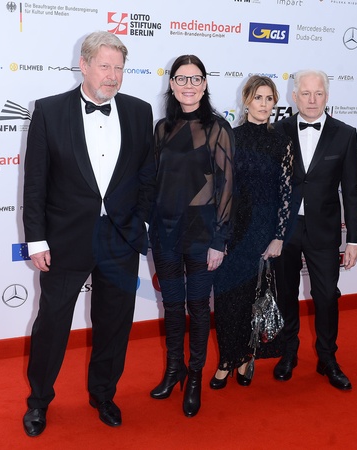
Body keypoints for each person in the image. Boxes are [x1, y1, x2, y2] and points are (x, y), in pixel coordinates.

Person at [21, 31, 155, 436]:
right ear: (84, 65)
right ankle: (39, 401)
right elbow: (35, 183)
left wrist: (140, 222)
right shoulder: (49, 111)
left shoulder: (139, 111)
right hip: (65, 239)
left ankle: (103, 394)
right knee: (52, 324)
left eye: (119, 68)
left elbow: (148, 174)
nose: (112, 76)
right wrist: (36, 238)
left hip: (120, 238)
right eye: (104, 66)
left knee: (115, 322)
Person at [149, 54, 234, 417]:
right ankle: (174, 369)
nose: (189, 85)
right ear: (172, 84)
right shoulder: (162, 129)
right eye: (181, 79)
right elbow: (154, 182)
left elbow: (227, 187)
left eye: (195, 78)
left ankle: (195, 375)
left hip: (202, 233)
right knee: (171, 306)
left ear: (204, 83)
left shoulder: (218, 128)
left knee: (198, 308)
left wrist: (219, 240)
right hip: (165, 232)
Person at [272, 69, 357, 391]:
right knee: (286, 293)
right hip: (285, 229)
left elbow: (351, 190)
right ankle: (289, 352)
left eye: (318, 93)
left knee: (326, 296)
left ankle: (327, 358)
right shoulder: (278, 130)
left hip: (324, 229)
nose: (312, 100)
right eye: (306, 93)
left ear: (327, 96)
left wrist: (354, 238)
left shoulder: (345, 134)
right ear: (294, 96)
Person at [211, 75, 293, 389]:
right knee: (227, 299)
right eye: (258, 97)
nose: (263, 104)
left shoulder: (282, 143)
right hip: (233, 231)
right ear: (246, 100)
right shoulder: (230, 137)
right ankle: (225, 360)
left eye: (269, 99)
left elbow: (286, 193)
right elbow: (220, 191)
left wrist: (279, 236)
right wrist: (219, 236)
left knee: (252, 300)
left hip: (263, 233)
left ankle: (246, 357)